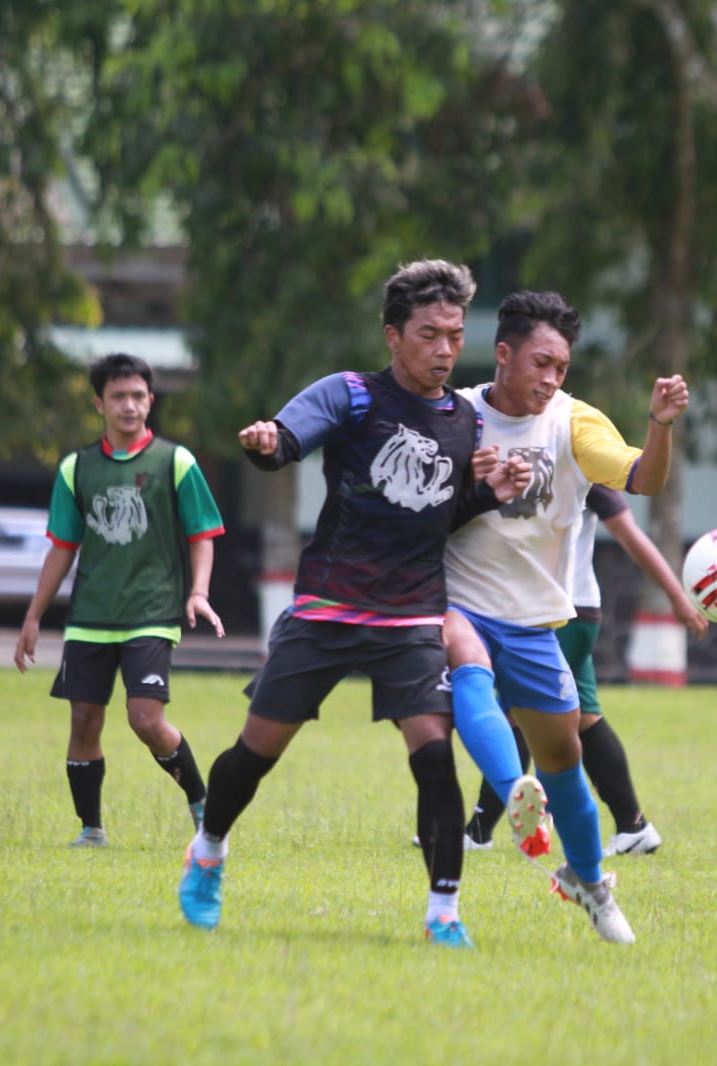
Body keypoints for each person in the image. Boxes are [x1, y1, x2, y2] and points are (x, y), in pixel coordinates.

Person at [175, 259, 532, 948]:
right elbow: (285, 438)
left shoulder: (463, 420)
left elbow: (436, 514)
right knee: (255, 753)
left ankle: (444, 913)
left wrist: (490, 495)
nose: (444, 350)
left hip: (411, 619)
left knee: (434, 760)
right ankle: (209, 848)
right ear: (392, 336)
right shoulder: (352, 396)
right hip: (329, 609)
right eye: (429, 334)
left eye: (455, 336)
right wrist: (265, 444)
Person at [444, 289, 690, 945]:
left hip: (533, 619)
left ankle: (587, 879)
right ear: (503, 355)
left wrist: (659, 426)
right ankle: (512, 791)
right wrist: (464, 477)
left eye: (561, 367)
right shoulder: (456, 414)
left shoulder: (574, 422)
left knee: (565, 753)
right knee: (465, 662)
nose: (552, 379)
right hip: (455, 600)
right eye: (541, 363)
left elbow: (642, 478)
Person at [15, 352, 227, 848]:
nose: (129, 405)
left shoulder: (176, 462)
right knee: (84, 720)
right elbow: (62, 548)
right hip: (90, 616)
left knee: (145, 718)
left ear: (150, 401)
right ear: (99, 403)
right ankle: (91, 830)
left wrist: (198, 592)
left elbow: (202, 533)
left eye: (137, 396)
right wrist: (33, 617)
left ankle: (203, 805)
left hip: (151, 613)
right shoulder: (76, 468)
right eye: (118, 397)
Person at [458, 483, 708, 856]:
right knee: (586, 717)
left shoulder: (578, 450)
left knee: (522, 714)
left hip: (561, 612)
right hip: (551, 609)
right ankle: (633, 826)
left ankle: (478, 832)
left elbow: (629, 533)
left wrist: (676, 597)